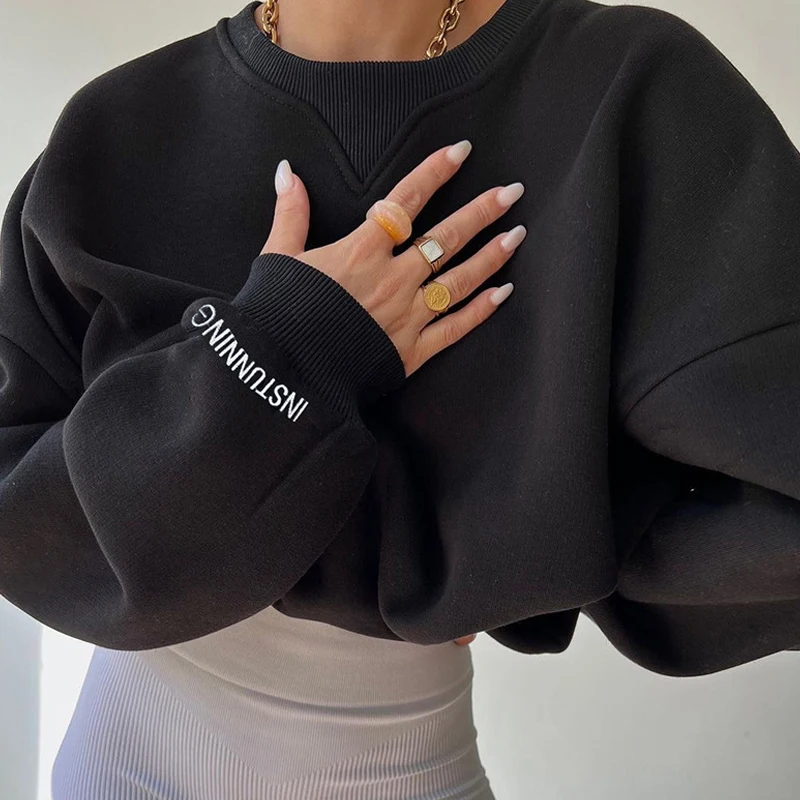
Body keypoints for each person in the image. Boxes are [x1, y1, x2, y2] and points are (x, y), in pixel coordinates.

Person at [2, 0, 799, 797]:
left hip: (403, 769)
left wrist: (533, 549)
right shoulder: (116, 127)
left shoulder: (628, 91)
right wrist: (291, 345)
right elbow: (22, 519)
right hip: (118, 763)